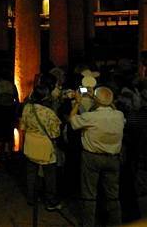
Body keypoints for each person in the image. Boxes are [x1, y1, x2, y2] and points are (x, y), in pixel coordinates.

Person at [70, 86, 125, 227]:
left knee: (89, 194)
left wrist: (77, 102)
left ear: (95, 99)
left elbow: (73, 121)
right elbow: (111, 106)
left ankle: (89, 224)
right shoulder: (119, 115)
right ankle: (115, 223)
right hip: (113, 158)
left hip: (92, 157)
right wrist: (103, 100)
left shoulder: (91, 117)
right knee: (113, 195)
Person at [20, 84, 62, 211]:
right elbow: (55, 134)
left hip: (30, 143)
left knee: (31, 172)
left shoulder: (27, 108)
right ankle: (50, 201)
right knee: (50, 175)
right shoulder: (49, 113)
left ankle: (31, 198)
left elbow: (23, 127)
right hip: (45, 146)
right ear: (46, 97)